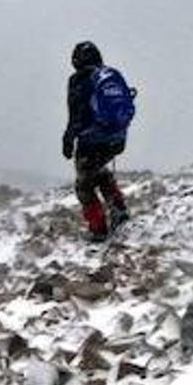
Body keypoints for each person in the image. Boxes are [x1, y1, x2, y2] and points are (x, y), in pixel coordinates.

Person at [62, 41, 135, 242]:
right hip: (117, 138)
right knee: (100, 172)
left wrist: (68, 140)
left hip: (91, 140)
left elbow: (76, 115)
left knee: (84, 186)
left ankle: (98, 229)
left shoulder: (79, 80)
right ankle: (119, 210)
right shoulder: (110, 74)